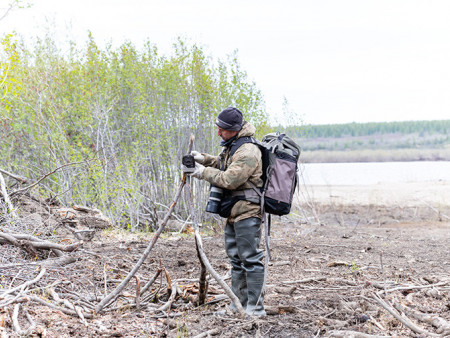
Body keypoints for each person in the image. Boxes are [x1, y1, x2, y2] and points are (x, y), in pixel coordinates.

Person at [183, 107, 266, 316]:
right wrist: (202, 158)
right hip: (234, 213)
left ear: (234, 129)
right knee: (236, 260)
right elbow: (223, 164)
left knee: (250, 259)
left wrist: (202, 173)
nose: (218, 133)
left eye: (222, 129)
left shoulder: (248, 151)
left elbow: (230, 179)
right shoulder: (234, 145)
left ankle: (255, 309)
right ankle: (238, 306)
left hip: (248, 212)